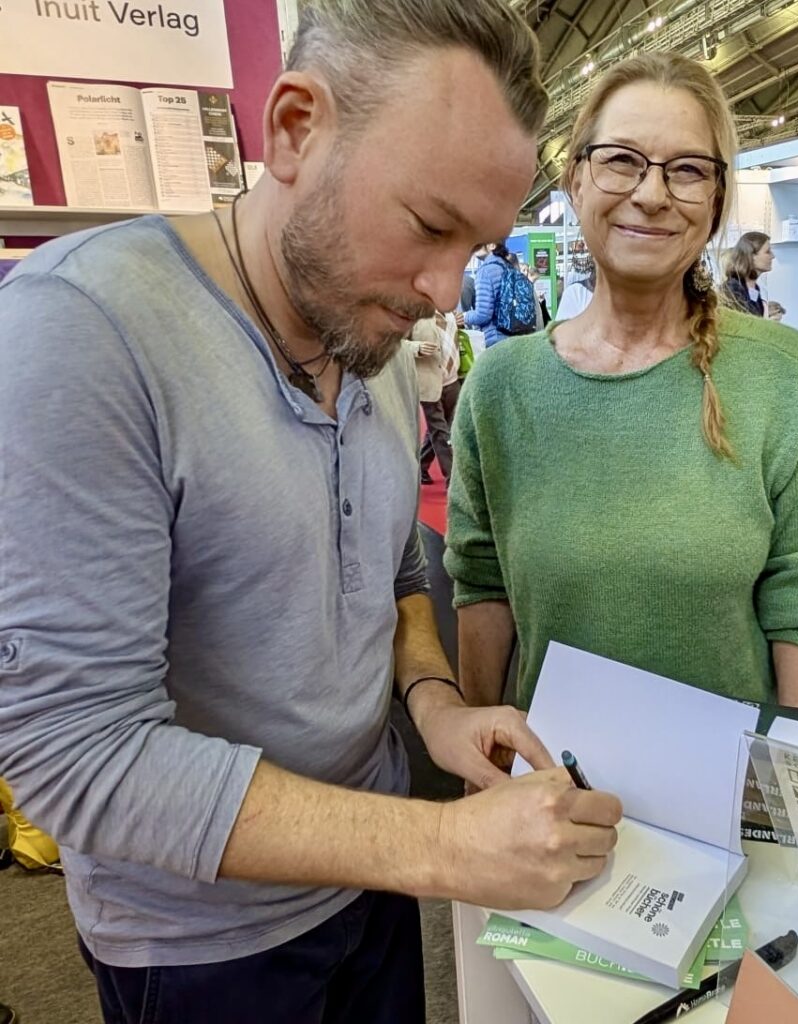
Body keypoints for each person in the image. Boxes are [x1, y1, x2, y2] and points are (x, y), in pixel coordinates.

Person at [0, 4, 623, 1023]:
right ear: (294, 127)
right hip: (200, 944)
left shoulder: (360, 328)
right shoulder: (83, 330)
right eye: (428, 226)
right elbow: (76, 752)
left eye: (474, 244)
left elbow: (393, 578)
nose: (442, 292)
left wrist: (435, 706)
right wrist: (438, 844)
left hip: (369, 886)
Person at [445, 53, 798, 716]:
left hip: (718, 791)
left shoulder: (784, 377)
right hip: (548, 786)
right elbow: (481, 581)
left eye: (687, 169)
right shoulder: (502, 387)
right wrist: (479, 769)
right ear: (575, 179)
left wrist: (784, 788)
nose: (652, 193)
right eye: (620, 159)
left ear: (717, 199)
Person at [415, 311, 461, 484]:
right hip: (429, 382)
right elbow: (397, 343)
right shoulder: (415, 311)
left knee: (441, 430)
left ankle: (420, 467)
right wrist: (417, 347)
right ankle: (454, 480)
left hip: (453, 379)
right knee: (441, 432)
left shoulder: (450, 311)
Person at [463, 242, 517, 346]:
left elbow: (483, 315)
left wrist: (464, 316)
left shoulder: (486, 271)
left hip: (495, 338)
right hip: (514, 336)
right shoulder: (507, 266)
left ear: (492, 245)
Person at [720, 231, 773, 316]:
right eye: (768, 252)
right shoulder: (732, 289)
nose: (772, 256)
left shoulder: (754, 288)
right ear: (751, 256)